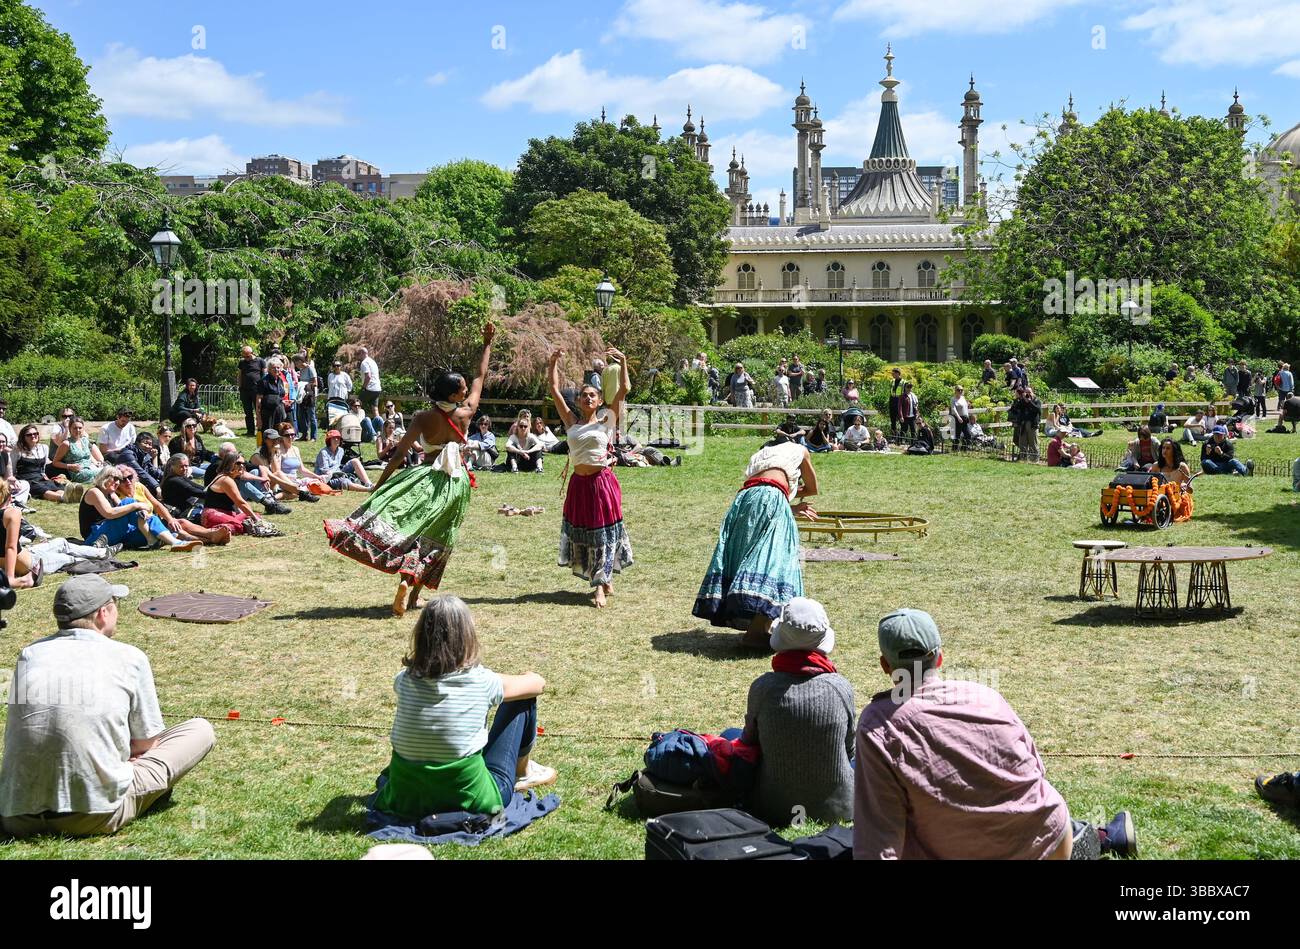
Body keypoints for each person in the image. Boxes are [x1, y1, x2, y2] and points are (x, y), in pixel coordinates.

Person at [854, 609, 1136, 860]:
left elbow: (879, 832)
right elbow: (1036, 770)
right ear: (939, 658)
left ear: (885, 665)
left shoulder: (877, 725)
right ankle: (1099, 837)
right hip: (1048, 841)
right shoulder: (986, 696)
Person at [0, 575, 216, 838]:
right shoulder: (130, 657)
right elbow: (145, 745)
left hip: (16, 815)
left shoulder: (29, 654)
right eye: (115, 604)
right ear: (103, 613)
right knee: (199, 729)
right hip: (94, 814)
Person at [326, 322, 495, 617]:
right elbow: (481, 375)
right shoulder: (467, 413)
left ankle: (407, 582)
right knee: (438, 537)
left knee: (412, 528)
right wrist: (486, 344)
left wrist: (379, 484)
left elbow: (398, 454)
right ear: (456, 396)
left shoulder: (422, 417)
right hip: (456, 485)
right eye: (463, 389)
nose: (467, 389)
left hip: (426, 477)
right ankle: (412, 588)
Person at [371, 596, 555, 821]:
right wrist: (528, 675)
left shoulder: (404, 680)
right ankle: (522, 773)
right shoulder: (482, 682)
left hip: (406, 799)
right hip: (473, 799)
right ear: (466, 636)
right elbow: (538, 684)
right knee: (522, 698)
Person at [692, 433, 818, 647]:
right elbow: (813, 489)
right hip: (772, 496)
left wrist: (789, 504)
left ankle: (760, 627)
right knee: (776, 560)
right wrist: (790, 497)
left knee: (747, 556)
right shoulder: (800, 450)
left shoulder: (760, 455)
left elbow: (765, 486)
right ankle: (756, 632)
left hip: (745, 500)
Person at [740, 598, 855, 828]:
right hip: (837, 808)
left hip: (773, 807)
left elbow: (749, 742)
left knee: (730, 734)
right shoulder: (841, 687)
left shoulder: (763, 687)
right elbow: (849, 749)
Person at [547, 347, 634, 609]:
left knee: (602, 535)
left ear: (599, 401)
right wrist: (553, 363)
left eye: (592, 395)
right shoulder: (571, 421)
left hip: (601, 484)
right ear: (578, 401)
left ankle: (599, 586)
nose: (587, 398)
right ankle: (604, 578)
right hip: (579, 485)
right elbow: (553, 389)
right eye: (583, 395)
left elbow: (625, 389)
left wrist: (624, 362)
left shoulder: (607, 420)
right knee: (586, 535)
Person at [1, 481, 116, 588]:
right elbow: (10, 548)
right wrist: (10, 577)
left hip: (26, 553)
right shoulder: (11, 514)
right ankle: (101, 553)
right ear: (10, 497)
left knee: (61, 542)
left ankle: (100, 551)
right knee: (69, 559)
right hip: (28, 564)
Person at [79, 467, 200, 552]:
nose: (117, 483)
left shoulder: (111, 494)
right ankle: (169, 541)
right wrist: (137, 505)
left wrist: (141, 512)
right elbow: (110, 513)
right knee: (129, 502)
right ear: (104, 477)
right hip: (95, 537)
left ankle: (170, 542)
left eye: (118, 480)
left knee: (150, 526)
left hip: (112, 532)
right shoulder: (94, 492)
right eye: (114, 478)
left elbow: (127, 510)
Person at [117, 466, 230, 546]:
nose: (128, 481)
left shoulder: (139, 487)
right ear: (117, 482)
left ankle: (211, 535)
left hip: (154, 522)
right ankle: (211, 538)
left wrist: (170, 519)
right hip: (141, 528)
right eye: (123, 479)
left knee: (179, 523)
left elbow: (157, 504)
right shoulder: (117, 496)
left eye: (130, 477)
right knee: (180, 532)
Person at [205, 442, 291, 515]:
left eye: (237, 452)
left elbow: (260, 467)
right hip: (219, 499)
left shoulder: (233, 462)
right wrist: (261, 479)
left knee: (255, 472)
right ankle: (269, 503)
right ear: (225, 454)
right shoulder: (218, 464)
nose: (237, 455)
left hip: (229, 495)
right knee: (242, 482)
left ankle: (270, 501)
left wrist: (264, 476)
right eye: (234, 453)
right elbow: (241, 475)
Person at [203, 453, 265, 534]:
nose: (242, 466)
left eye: (244, 463)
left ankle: (238, 525)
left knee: (255, 515)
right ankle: (217, 531)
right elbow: (240, 502)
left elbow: (236, 504)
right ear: (229, 464)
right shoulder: (225, 479)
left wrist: (254, 517)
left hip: (227, 513)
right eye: (238, 463)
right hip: (212, 515)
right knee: (239, 525)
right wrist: (257, 521)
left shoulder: (229, 478)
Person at [14, 424, 64, 502]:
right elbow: (13, 469)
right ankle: (62, 498)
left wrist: (45, 476)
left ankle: (65, 495)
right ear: (23, 437)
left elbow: (43, 468)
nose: (33, 436)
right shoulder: (18, 450)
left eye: (35, 433)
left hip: (40, 477)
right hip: (26, 479)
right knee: (41, 489)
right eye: (29, 435)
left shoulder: (44, 448)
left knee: (54, 485)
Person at [51, 416, 105, 484]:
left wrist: (96, 463)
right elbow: (55, 462)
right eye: (75, 428)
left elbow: (88, 455)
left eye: (80, 428)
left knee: (108, 469)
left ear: (83, 428)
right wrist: (69, 466)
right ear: (70, 429)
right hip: (79, 471)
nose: (78, 430)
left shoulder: (85, 440)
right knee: (105, 472)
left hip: (91, 466)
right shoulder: (66, 444)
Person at [237, 344, 265, 437]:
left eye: (248, 356)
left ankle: (261, 430)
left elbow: (264, 375)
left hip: (256, 390)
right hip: (245, 390)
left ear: (252, 353)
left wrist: (263, 389)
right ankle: (250, 431)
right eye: (244, 356)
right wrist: (240, 387)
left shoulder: (260, 361)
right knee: (248, 412)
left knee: (259, 411)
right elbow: (240, 375)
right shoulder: (242, 362)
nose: (246, 358)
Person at [1009, 387, 1041, 461]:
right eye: (1026, 392)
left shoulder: (1036, 401)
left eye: (1029, 392)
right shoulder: (1022, 401)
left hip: (1032, 425)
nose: (1028, 394)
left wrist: (1029, 402)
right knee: (1023, 442)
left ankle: (1034, 460)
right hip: (1023, 424)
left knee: (1033, 442)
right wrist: (1021, 399)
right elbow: (1015, 408)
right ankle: (1023, 459)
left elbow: (1037, 409)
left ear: (1032, 392)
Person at [293, 354, 319, 441]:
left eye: (296, 362)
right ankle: (304, 435)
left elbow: (315, 382)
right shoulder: (301, 370)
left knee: (311, 416)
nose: (295, 365)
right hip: (302, 395)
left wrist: (305, 384)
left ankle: (313, 436)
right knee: (301, 415)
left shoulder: (310, 368)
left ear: (300, 361)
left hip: (309, 394)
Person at [358, 347, 382, 415]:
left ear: (362, 353)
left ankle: (358, 424)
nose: (358, 356)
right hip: (377, 389)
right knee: (375, 408)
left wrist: (363, 388)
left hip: (369, 388)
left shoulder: (364, 362)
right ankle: (379, 425)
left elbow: (368, 376)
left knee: (357, 406)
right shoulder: (372, 361)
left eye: (359, 354)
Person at [888, 368, 904, 435]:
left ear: (898, 373)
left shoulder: (903, 382)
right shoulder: (892, 381)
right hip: (892, 401)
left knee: (901, 420)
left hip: (899, 402)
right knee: (893, 420)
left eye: (893, 373)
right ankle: (894, 436)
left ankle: (902, 436)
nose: (892, 374)